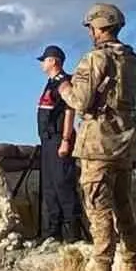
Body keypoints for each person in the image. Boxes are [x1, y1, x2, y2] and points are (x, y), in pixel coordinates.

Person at [57, 2, 136, 271]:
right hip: (126, 144)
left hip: (98, 145)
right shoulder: (135, 61)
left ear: (97, 28)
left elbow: (81, 102)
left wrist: (64, 89)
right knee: (125, 209)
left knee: (99, 211)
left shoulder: (94, 59)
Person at [34, 44, 85, 244]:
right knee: (50, 187)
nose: (42, 64)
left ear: (53, 61)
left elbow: (69, 110)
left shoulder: (64, 82)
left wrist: (65, 140)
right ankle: (52, 232)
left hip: (58, 139)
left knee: (63, 185)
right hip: (47, 140)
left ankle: (72, 233)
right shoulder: (51, 83)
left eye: (45, 60)